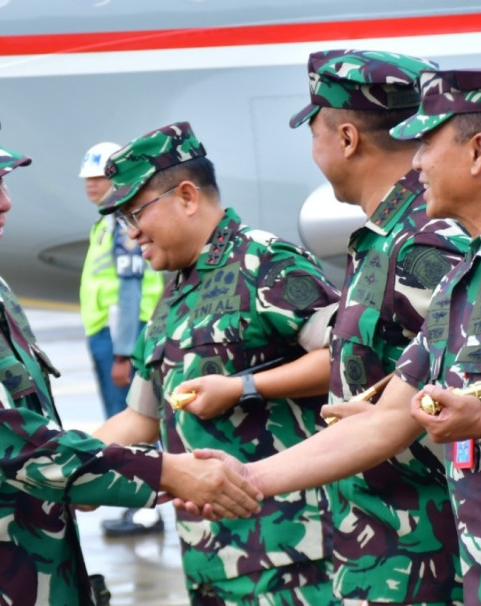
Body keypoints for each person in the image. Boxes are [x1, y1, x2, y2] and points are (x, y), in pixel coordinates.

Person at [190, 69, 481, 605]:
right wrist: (247, 476)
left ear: (478, 151)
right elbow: (388, 420)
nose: (415, 162)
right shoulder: (468, 272)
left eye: (428, 143)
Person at [0, 106, 261, 605]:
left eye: (2, 184)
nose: (3, 203)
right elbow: (18, 446)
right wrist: (171, 473)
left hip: (26, 577)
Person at [175, 49, 468, 605]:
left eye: (314, 132)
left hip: (427, 558)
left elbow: (454, 398)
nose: (313, 150)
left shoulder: (422, 243)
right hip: (383, 550)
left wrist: (247, 476)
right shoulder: (384, 240)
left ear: (348, 138)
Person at [90, 121, 340, 605]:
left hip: (290, 555)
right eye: (122, 219)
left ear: (187, 196)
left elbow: (347, 363)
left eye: (136, 213)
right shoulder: (172, 294)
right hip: (208, 559)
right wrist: (61, 466)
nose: (131, 231)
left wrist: (244, 387)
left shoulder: (264, 263)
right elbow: (140, 418)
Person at [78, 140, 166, 536]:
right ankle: (135, 505)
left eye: (97, 178)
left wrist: (123, 352)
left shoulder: (118, 224)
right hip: (109, 337)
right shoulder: (105, 222)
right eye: (87, 179)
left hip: (120, 339)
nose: (90, 185)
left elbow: (129, 290)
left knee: (131, 422)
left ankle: (145, 507)